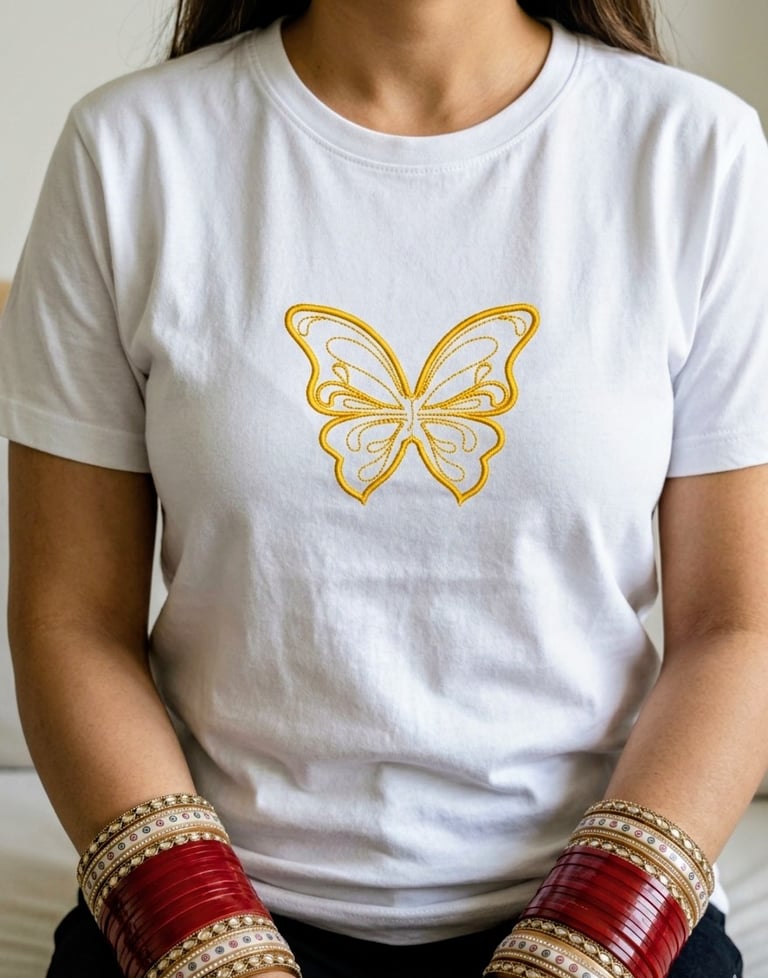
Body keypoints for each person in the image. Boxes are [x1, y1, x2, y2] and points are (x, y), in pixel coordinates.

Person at [1, 0, 767, 975]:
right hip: (208, 896)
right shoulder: (128, 152)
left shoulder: (699, 153)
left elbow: (738, 631)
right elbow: (69, 624)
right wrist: (202, 940)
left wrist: (590, 946)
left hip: (597, 900)